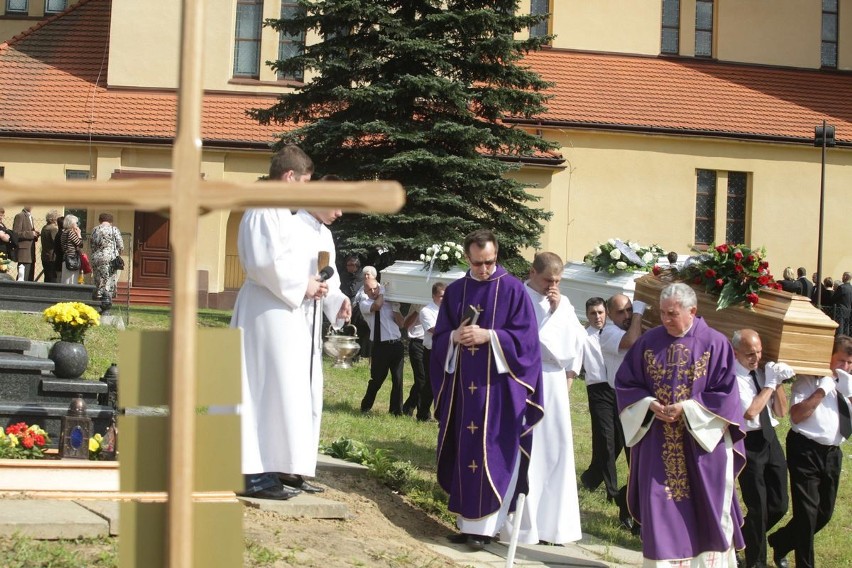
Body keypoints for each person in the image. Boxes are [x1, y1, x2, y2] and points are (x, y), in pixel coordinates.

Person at [230, 144, 340, 500]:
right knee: (261, 389)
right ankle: (251, 471)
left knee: (279, 391)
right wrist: (303, 284)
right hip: (266, 310)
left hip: (282, 310)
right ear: (290, 177)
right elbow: (264, 264)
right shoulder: (266, 208)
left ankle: (272, 465)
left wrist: (313, 285)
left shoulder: (280, 210)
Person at [615, 283, 746, 565]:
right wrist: (648, 404)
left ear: (692, 311)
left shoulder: (714, 343)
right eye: (662, 313)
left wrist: (687, 408)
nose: (665, 319)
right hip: (657, 441)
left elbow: (725, 395)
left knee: (705, 508)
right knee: (658, 506)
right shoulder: (648, 342)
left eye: (672, 313)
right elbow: (626, 383)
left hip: (701, 445)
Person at [431, 229, 543, 549]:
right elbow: (440, 338)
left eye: (490, 262)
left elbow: (527, 341)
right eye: (478, 263)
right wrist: (453, 338)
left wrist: (489, 337)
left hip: (499, 392)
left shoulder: (512, 290)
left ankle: (486, 529)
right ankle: (467, 525)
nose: (484, 269)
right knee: (465, 451)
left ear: (497, 256)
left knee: (493, 452)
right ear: (468, 258)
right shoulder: (455, 291)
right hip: (463, 394)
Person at [503, 252, 584, 546]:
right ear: (532, 273)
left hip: (553, 383)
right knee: (527, 450)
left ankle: (555, 527)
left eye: (558, 281)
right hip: (525, 379)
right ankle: (519, 525)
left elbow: (577, 342)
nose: (553, 285)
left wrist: (559, 309)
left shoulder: (564, 304)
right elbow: (518, 338)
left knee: (556, 450)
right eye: (548, 279)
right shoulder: (516, 297)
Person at [767, 335, 852, 568]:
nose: (845, 368)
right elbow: (796, 415)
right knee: (806, 515)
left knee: (823, 514)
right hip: (806, 450)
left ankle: (781, 541)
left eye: (850, 363)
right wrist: (823, 389)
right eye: (841, 361)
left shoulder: (848, 384)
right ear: (829, 359)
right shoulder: (809, 381)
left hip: (832, 453)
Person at [286, 204, 351, 492]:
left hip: (311, 326)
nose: (339, 213)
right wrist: (305, 286)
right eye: (335, 205)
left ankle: (300, 468)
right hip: (290, 320)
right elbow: (281, 273)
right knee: (291, 394)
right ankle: (283, 466)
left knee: (311, 395)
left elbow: (331, 280)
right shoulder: (292, 227)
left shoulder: (325, 235)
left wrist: (340, 301)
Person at [732, 329, 793, 568]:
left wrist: (776, 383)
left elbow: (780, 411)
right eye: (750, 353)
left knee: (779, 504)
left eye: (759, 352)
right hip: (749, 442)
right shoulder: (734, 378)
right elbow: (750, 411)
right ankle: (755, 562)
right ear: (735, 352)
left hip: (770, 439)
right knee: (758, 507)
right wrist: (769, 384)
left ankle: (738, 536)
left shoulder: (761, 373)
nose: (756, 358)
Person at [598, 292, 646, 529]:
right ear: (609, 314)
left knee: (644, 461)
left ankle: (628, 505)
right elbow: (632, 341)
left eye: (629, 309)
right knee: (636, 461)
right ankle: (634, 514)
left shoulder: (634, 326)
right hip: (625, 403)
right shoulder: (607, 333)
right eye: (621, 312)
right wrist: (639, 311)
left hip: (646, 401)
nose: (627, 315)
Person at [580, 296, 626, 508]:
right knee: (606, 438)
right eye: (592, 313)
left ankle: (591, 477)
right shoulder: (582, 336)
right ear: (587, 315)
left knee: (617, 440)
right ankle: (612, 491)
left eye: (600, 312)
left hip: (617, 388)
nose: (597, 317)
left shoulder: (614, 333)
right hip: (597, 389)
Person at [359, 268, 405, 415]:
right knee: (377, 379)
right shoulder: (365, 303)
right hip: (380, 346)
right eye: (370, 290)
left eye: (375, 288)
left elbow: (401, 323)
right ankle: (365, 406)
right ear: (365, 292)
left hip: (396, 344)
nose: (373, 292)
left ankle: (396, 411)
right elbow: (377, 306)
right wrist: (383, 292)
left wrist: (396, 309)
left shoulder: (390, 301)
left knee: (398, 380)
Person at [413, 281, 445, 422]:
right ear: (433, 296)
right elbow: (433, 330)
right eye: (441, 296)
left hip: (448, 351)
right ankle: (423, 414)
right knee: (431, 384)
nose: (444, 299)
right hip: (432, 351)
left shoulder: (449, 310)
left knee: (445, 384)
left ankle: (442, 414)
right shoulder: (426, 311)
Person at [339, 253, 370, 361]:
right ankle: (347, 353)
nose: (348, 267)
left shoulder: (362, 276)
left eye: (351, 265)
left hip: (358, 309)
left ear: (356, 266)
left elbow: (358, 291)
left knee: (359, 331)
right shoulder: (344, 275)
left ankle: (358, 354)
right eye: (347, 265)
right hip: (346, 305)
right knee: (347, 329)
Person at [89, 213, 124, 302]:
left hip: (96, 257)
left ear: (100, 220)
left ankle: (98, 298)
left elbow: (92, 245)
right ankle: (107, 300)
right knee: (109, 279)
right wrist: (118, 254)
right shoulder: (114, 229)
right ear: (111, 221)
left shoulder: (94, 230)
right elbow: (121, 246)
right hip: (110, 258)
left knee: (98, 279)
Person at [402, 302, 427, 417]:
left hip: (433, 344)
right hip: (418, 343)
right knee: (421, 379)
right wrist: (417, 311)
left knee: (427, 380)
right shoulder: (417, 303)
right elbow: (406, 325)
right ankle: (423, 413)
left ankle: (408, 408)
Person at [13, 206, 39, 281]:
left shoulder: (30, 217)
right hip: (24, 253)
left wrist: (35, 234)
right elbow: (15, 234)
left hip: (31, 252)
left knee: (29, 278)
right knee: (23, 277)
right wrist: (31, 234)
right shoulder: (20, 216)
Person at [59, 215, 83, 285]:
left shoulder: (64, 232)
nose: (77, 224)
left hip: (65, 258)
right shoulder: (70, 233)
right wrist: (79, 234)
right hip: (72, 259)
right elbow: (80, 244)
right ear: (72, 224)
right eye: (76, 223)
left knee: (65, 280)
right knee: (72, 280)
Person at [39, 210, 61, 283]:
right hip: (52, 257)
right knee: (52, 278)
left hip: (45, 255)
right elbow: (56, 242)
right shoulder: (53, 229)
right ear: (54, 219)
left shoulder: (44, 227)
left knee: (47, 276)